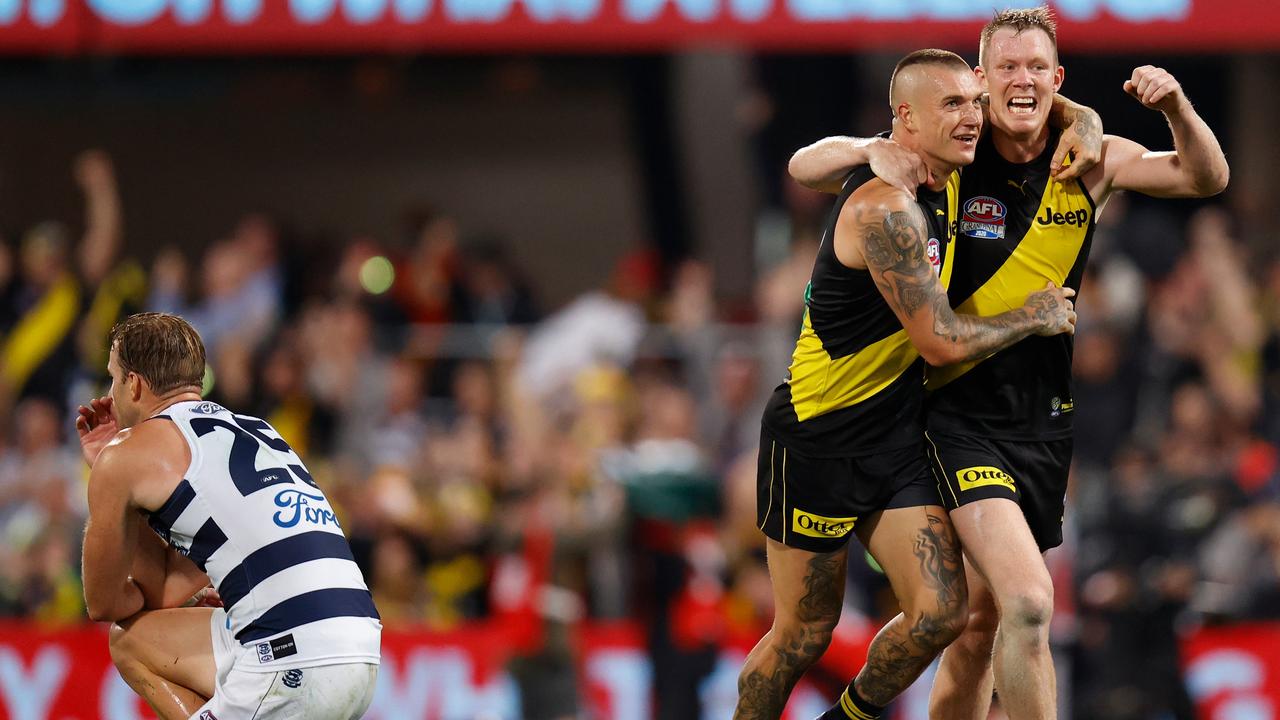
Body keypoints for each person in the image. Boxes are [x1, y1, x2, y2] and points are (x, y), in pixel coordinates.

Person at [787, 7, 1229, 720]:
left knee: (979, 625)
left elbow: (1204, 176)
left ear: (1057, 79)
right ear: (981, 82)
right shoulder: (955, 149)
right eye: (1005, 69)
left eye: (1035, 68)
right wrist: (869, 152)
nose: (1021, 81)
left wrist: (1175, 106)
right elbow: (804, 165)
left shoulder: (1088, 159)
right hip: (952, 416)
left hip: (1043, 425)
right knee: (1029, 602)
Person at [733, 49, 1077, 720]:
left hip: (893, 439)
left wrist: (1083, 118)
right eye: (951, 106)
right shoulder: (885, 207)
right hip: (816, 440)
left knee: (943, 614)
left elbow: (1032, 99)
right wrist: (1031, 317)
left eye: (972, 103)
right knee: (802, 634)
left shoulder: (947, 174)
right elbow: (939, 340)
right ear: (905, 121)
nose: (973, 117)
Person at [76, 312, 381, 720]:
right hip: (360, 651)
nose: (110, 395)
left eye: (113, 379)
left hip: (288, 657)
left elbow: (104, 602)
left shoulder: (127, 453)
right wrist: (125, 497)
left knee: (124, 634)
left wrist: (108, 475)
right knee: (134, 641)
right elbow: (163, 591)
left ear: (133, 384)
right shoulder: (260, 430)